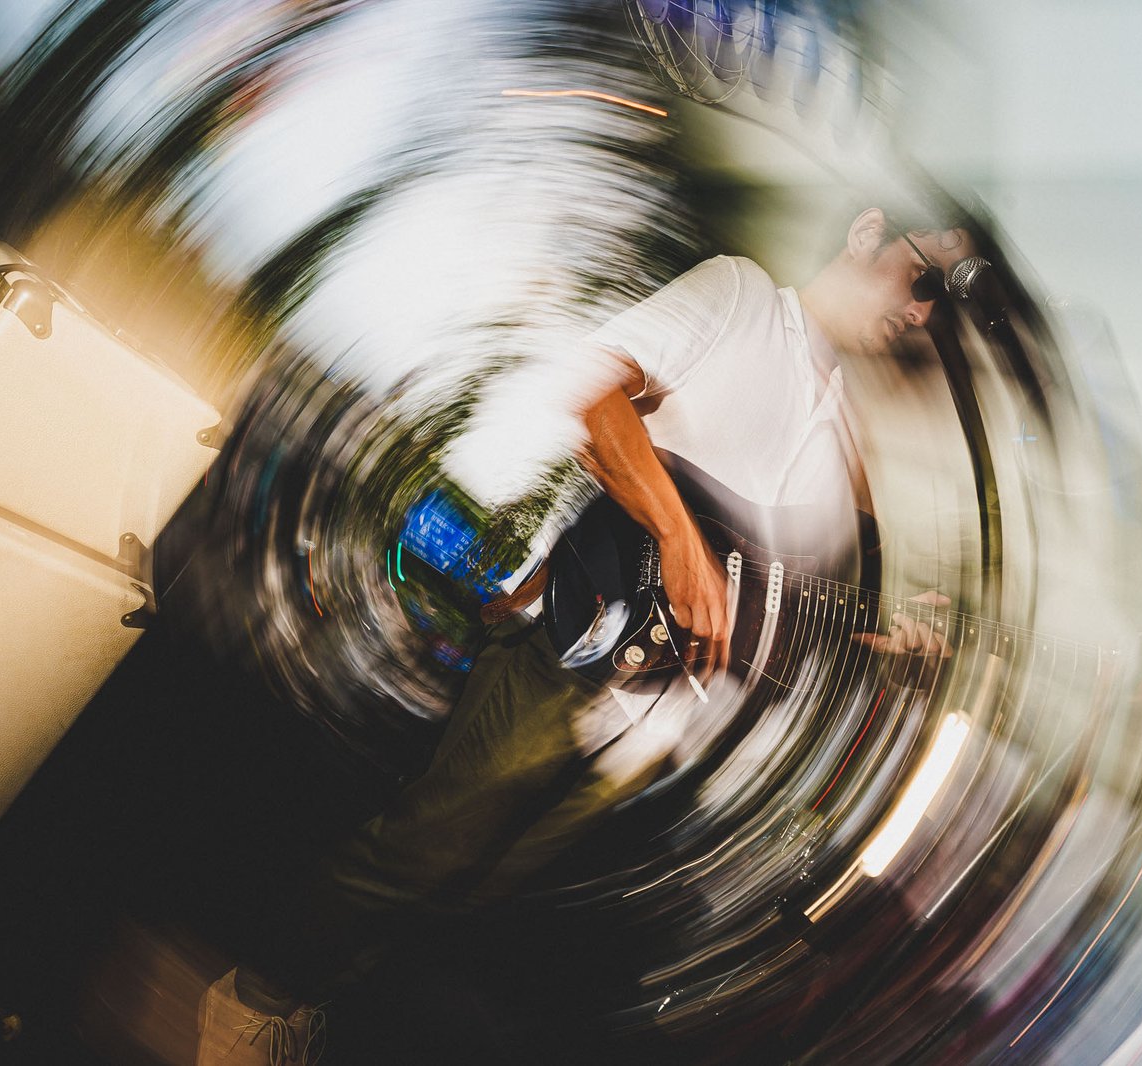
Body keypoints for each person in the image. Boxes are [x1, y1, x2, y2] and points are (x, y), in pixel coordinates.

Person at [194, 207, 975, 1065]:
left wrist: (880, 631)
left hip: (651, 726)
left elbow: (776, 603)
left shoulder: (850, 441)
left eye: (942, 302)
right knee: (422, 851)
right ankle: (253, 999)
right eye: (925, 279)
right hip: (575, 651)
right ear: (866, 232)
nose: (923, 311)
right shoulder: (745, 299)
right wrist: (676, 538)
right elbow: (591, 386)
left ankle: (311, 996)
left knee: (471, 886)